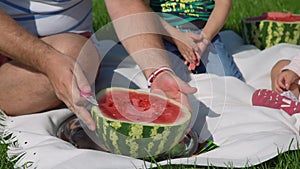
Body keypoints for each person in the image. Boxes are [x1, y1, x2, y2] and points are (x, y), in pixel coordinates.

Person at [0, 0, 197, 131]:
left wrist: (158, 70)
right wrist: (47, 60)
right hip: (8, 52)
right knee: (75, 53)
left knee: (78, 54)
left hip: (75, 47)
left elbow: (125, 5)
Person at [148, 0, 244, 80]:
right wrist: (176, 37)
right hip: (165, 32)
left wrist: (204, 39)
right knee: (167, 81)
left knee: (230, 80)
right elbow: (143, 9)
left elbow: (223, 3)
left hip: (204, 31)